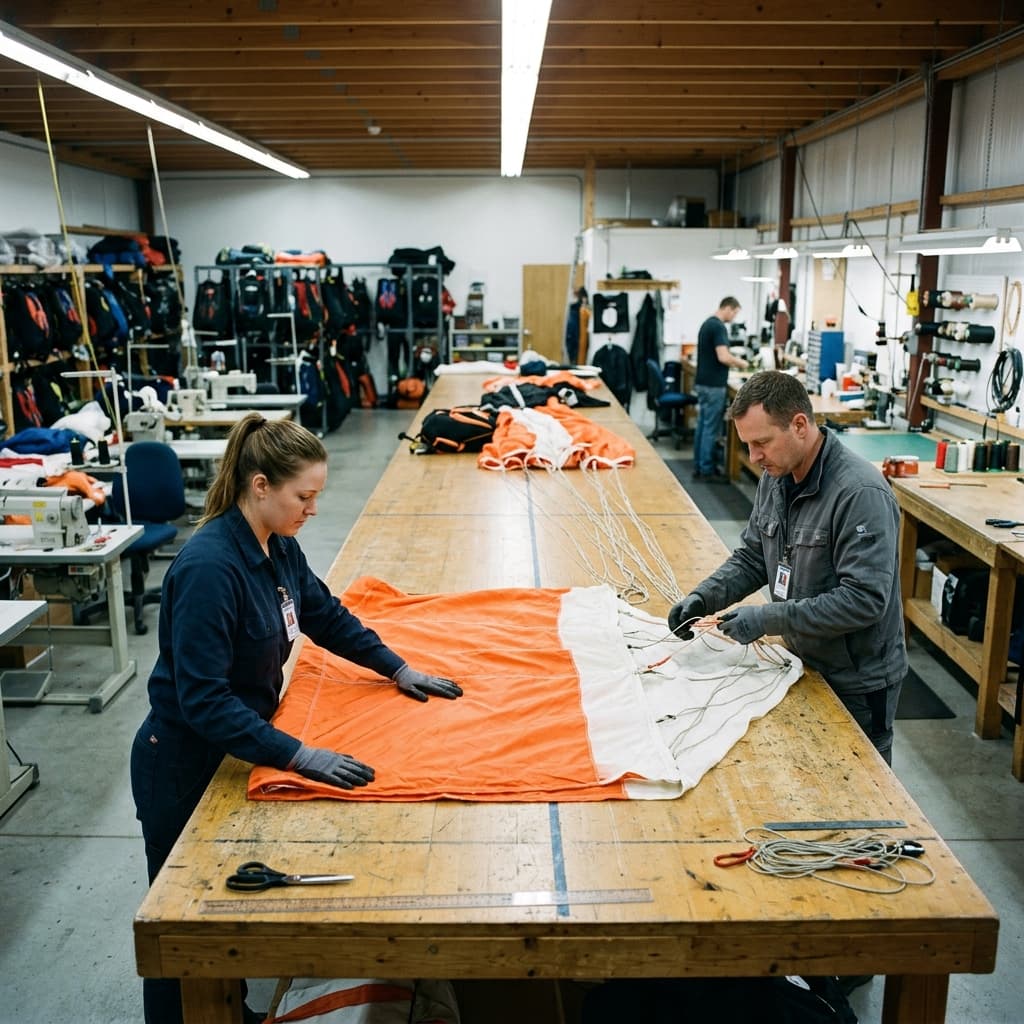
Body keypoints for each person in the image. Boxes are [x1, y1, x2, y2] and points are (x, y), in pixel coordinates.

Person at [130, 413, 463, 1024]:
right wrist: (298, 755)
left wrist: (396, 667)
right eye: (303, 496)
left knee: (227, 908)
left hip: (235, 747)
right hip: (182, 759)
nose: (312, 509)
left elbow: (325, 616)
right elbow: (203, 700)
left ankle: (236, 1008)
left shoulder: (278, 547)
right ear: (260, 487)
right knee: (181, 922)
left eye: (317, 497)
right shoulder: (210, 569)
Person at [669, 370, 906, 764]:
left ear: (799, 425)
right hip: (804, 659)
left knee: (859, 788)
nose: (754, 457)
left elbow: (864, 601)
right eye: (748, 445)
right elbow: (753, 557)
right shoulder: (777, 476)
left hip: (857, 679)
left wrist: (766, 620)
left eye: (761, 442)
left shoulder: (859, 494)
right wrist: (703, 597)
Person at [692, 296, 747, 480]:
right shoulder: (718, 327)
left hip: (703, 383)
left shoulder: (707, 323)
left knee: (703, 425)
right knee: (710, 428)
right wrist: (742, 363)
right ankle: (706, 469)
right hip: (713, 385)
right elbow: (723, 356)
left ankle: (699, 465)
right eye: (735, 313)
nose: (734, 317)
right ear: (728, 308)